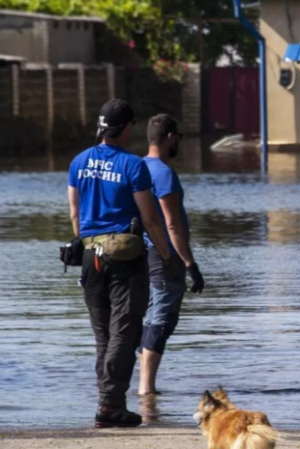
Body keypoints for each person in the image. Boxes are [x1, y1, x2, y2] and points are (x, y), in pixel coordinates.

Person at [68, 99, 175, 428]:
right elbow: (151, 218)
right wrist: (167, 256)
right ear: (127, 128)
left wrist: (90, 241)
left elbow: (75, 214)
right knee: (124, 335)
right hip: (124, 261)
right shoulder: (133, 165)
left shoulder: (79, 161)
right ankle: (111, 406)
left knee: (104, 336)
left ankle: (108, 403)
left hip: (90, 257)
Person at [138, 114, 205, 396]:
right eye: (178, 137)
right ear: (170, 138)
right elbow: (172, 224)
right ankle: (146, 389)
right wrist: (191, 264)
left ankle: (144, 388)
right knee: (161, 320)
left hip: (143, 255)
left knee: (151, 316)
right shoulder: (163, 172)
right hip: (164, 256)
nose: (178, 142)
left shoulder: (137, 166)